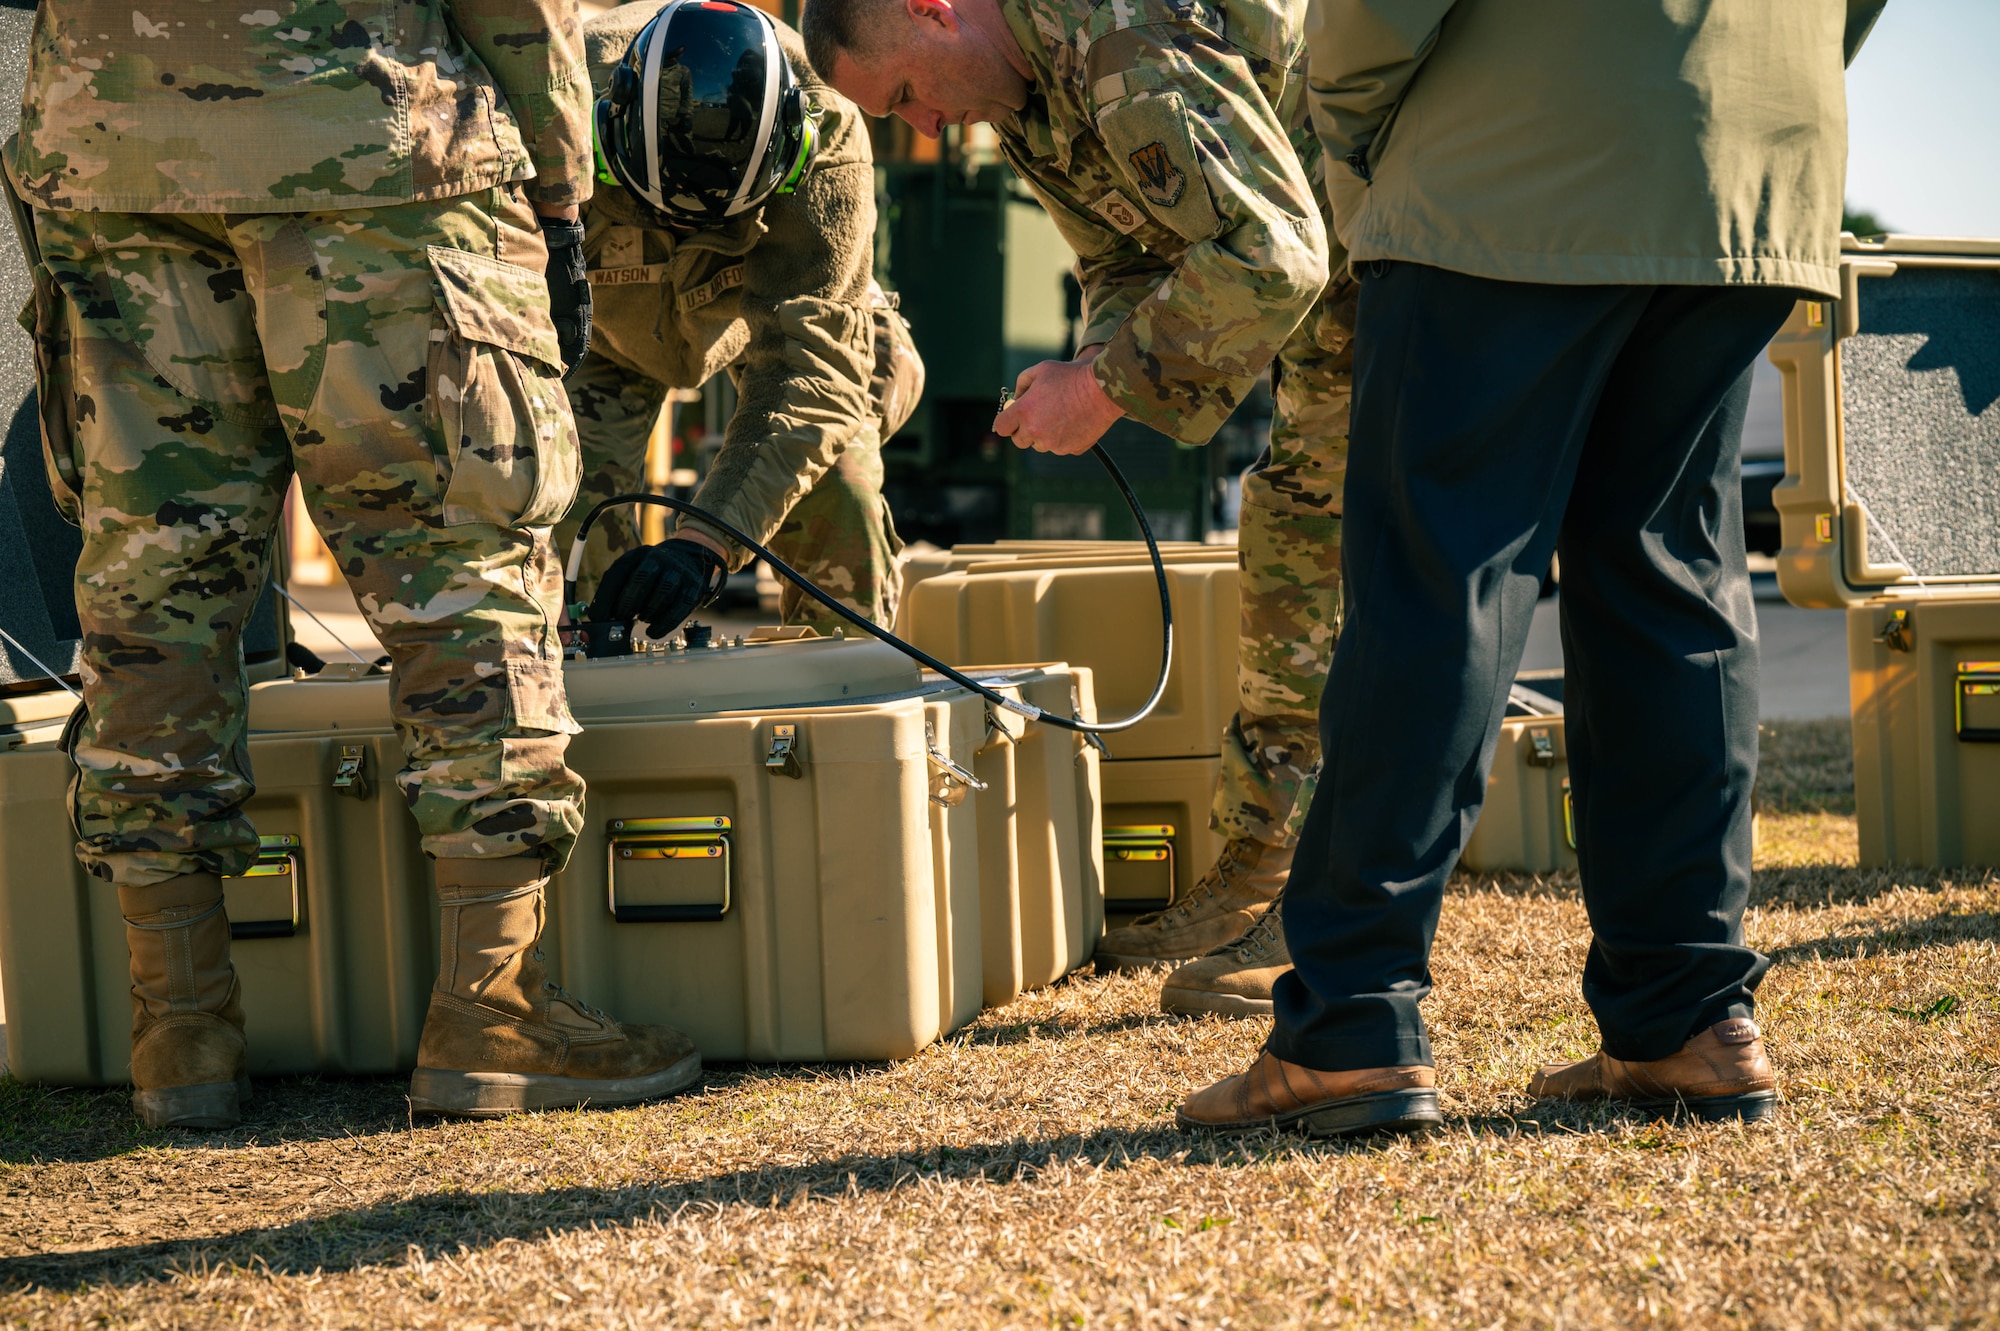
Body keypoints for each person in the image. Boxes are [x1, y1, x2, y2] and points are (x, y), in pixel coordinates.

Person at [1176, 0, 1888, 1136]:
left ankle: (1351, 1026)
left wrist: (1351, 129)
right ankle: (1686, 1018)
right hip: (1750, 161)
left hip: (1506, 165)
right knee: (1672, 577)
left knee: (1437, 579)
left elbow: (1367, 22)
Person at [8, 0, 697, 1127]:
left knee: (153, 584)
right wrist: (561, 187)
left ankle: (177, 1029)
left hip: (107, 143)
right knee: (462, 561)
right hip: (374, 142)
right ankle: (492, 1006)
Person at [802, 0, 1350, 1015]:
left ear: (933, 8)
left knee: (1336, 551)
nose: (925, 129)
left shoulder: (1116, 42)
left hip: (1401, 242)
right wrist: (1097, 359)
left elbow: (1277, 253)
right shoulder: (1020, 99)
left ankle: (1327, 903)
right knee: (1294, 538)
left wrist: (1105, 389)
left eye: (909, 97)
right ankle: (1266, 868)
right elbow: (1125, 257)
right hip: (1336, 278)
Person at [571, 0, 924, 638]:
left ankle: (844, 702)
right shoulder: (550, 106)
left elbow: (811, 376)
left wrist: (707, 542)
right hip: (605, 333)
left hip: (790, 317)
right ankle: (585, 693)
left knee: (839, 492)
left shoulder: (829, 136)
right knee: (563, 503)